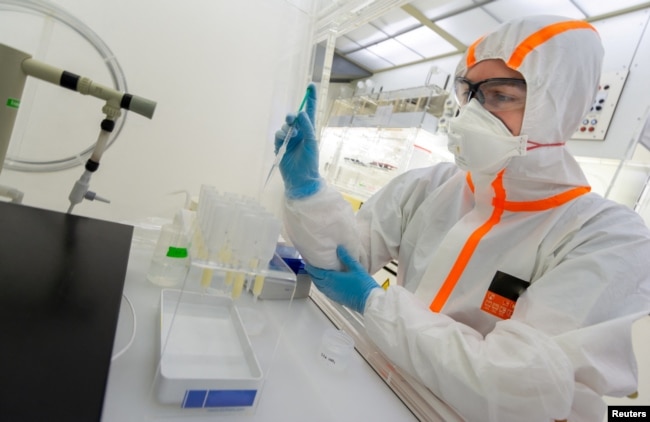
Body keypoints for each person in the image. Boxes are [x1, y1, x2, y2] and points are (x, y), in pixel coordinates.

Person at [274, 15, 650, 422]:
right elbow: (344, 261)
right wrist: (308, 192)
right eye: (468, 93)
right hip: (382, 390)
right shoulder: (432, 186)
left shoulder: (606, 237)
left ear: (557, 105)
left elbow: (516, 386)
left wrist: (376, 304)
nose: (471, 114)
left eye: (500, 95)